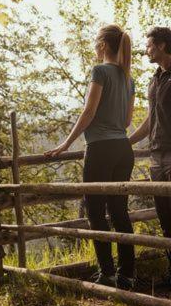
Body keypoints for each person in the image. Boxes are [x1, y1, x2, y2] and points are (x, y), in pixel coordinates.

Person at [45, 24, 135, 289]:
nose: (95, 48)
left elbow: (88, 113)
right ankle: (127, 275)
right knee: (119, 212)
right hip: (123, 149)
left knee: (96, 213)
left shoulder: (99, 71)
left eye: (96, 43)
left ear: (103, 45)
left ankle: (107, 273)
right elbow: (128, 120)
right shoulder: (128, 78)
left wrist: (65, 144)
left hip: (100, 149)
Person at [129, 27, 171, 284]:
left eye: (149, 46)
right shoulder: (154, 80)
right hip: (156, 156)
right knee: (165, 216)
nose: (146, 51)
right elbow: (149, 119)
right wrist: (128, 142)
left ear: (163, 45)